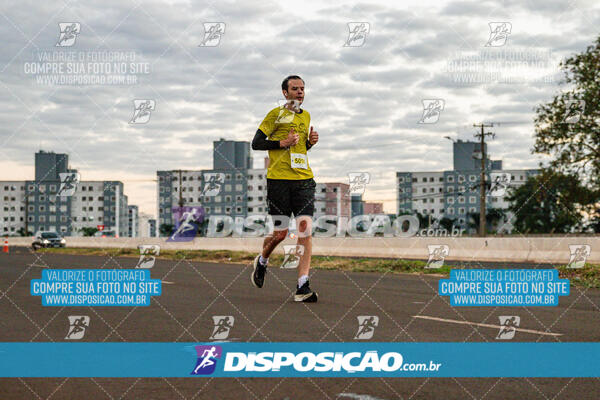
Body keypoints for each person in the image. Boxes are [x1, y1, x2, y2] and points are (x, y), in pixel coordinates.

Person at [250, 75, 319, 302]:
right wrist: (282, 143)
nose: (300, 92)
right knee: (280, 233)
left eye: (302, 89)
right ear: (285, 93)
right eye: (295, 89)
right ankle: (262, 260)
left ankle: (302, 286)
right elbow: (257, 143)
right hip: (278, 181)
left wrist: (309, 143)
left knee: (304, 230)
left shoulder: (306, 116)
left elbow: (299, 150)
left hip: (304, 179)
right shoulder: (275, 115)